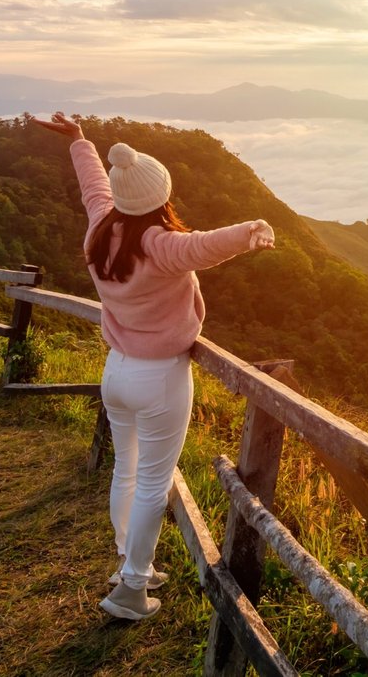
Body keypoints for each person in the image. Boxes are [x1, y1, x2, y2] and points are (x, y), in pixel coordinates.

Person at [33, 112, 276, 621]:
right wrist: (252, 230)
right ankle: (131, 588)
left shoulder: (100, 229)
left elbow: (93, 186)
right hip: (160, 376)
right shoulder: (160, 246)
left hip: (116, 372)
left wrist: (79, 140)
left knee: (127, 469)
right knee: (152, 481)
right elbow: (204, 245)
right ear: (161, 199)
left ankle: (129, 562)